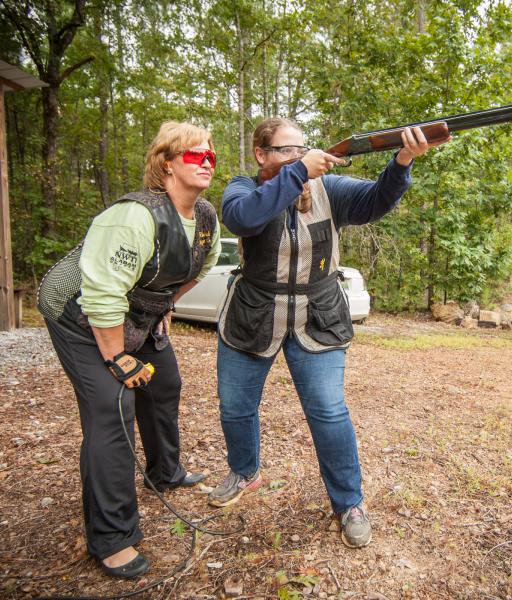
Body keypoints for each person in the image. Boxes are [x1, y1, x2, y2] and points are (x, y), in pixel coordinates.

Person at [210, 117, 449, 548]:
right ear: (261, 155)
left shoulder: (328, 188)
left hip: (317, 315)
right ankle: (244, 471)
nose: (298, 156)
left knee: (329, 412)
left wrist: (402, 160)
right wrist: (299, 171)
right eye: (286, 150)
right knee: (235, 407)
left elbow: (375, 202)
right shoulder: (242, 188)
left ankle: (349, 503)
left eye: (302, 149)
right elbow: (243, 219)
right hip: (252, 314)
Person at [37, 122, 221, 579]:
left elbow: (201, 268)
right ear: (167, 164)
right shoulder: (133, 216)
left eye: (211, 155)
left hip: (134, 312)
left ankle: (166, 471)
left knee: (165, 384)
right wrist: (118, 357)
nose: (207, 162)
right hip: (79, 313)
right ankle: (112, 537)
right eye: (194, 154)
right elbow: (102, 295)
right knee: (113, 407)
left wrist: (163, 306)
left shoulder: (205, 219)